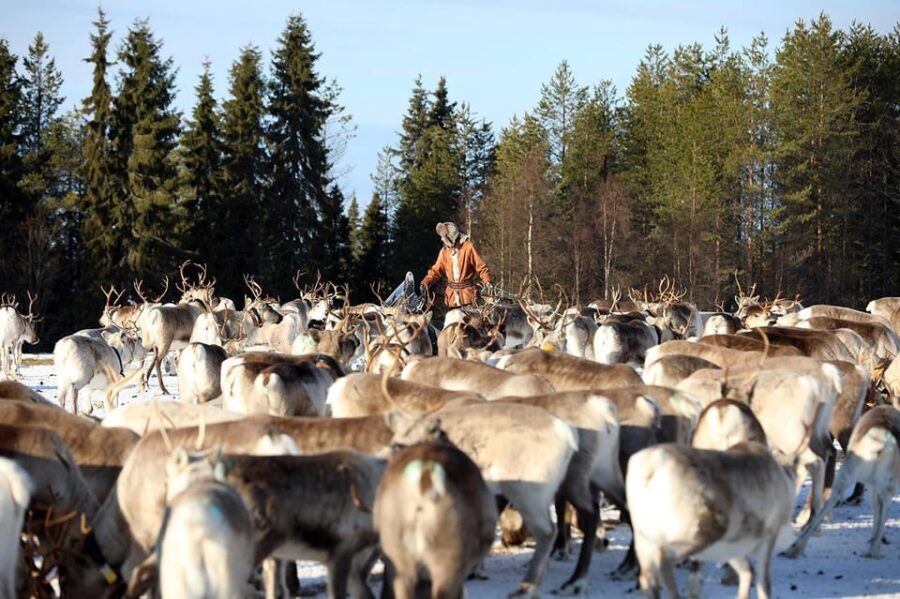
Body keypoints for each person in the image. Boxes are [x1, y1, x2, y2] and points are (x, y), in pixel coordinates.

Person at [420, 222, 492, 308]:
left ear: (450, 237)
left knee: (470, 321)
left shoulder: (468, 247)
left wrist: (487, 282)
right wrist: (425, 283)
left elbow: (481, 268)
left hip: (468, 298)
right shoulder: (444, 251)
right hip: (451, 299)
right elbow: (435, 271)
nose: (442, 239)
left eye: (444, 237)